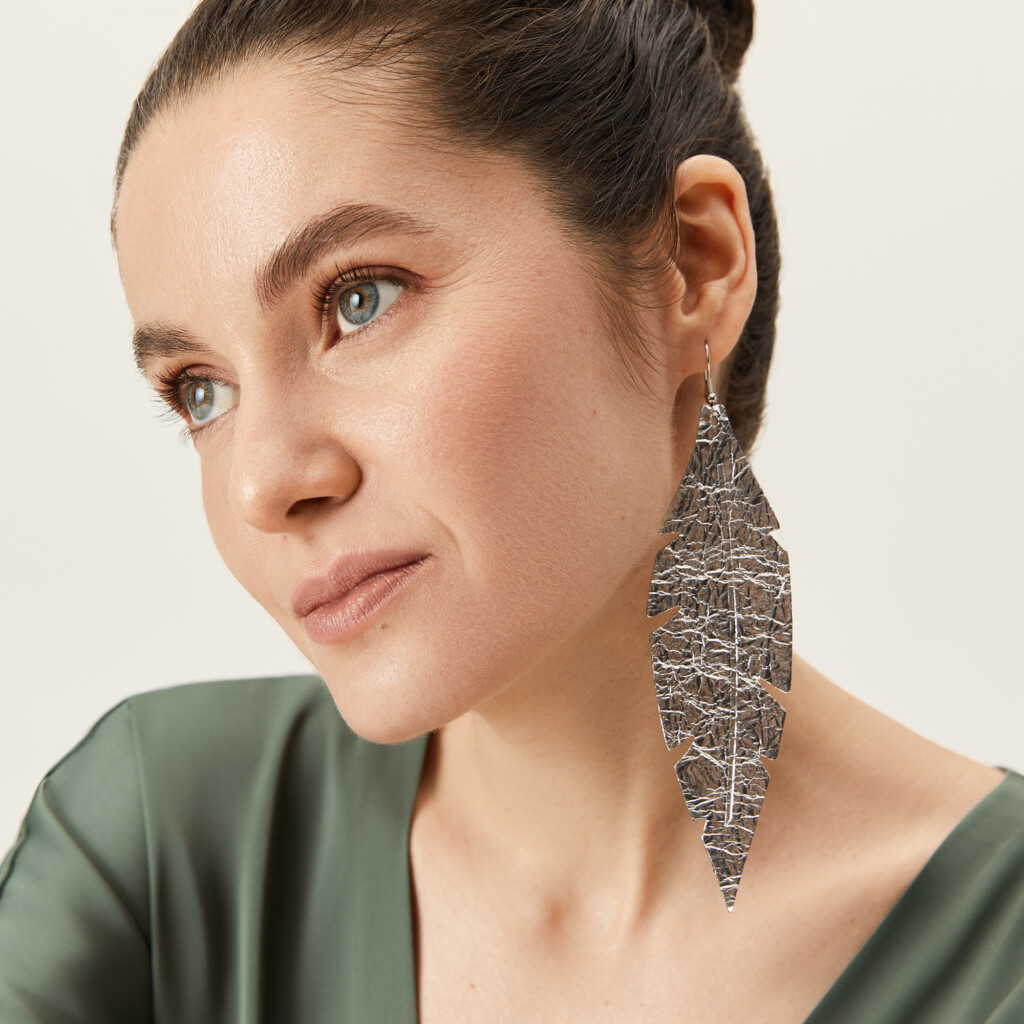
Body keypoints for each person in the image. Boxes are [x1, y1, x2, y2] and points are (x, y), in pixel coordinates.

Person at [1, 0, 1022, 1020]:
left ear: (692, 264)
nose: (261, 484)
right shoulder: (159, 848)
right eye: (199, 391)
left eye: (359, 299)